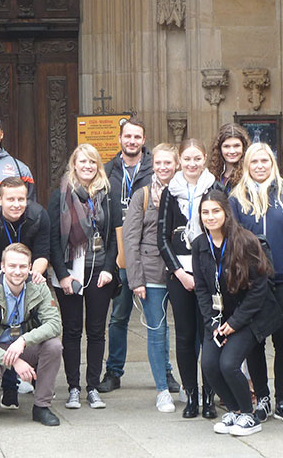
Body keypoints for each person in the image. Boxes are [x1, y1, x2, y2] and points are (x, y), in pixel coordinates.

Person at [100, 117, 179, 394]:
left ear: (143, 140)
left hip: (150, 252)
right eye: (127, 136)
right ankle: (113, 371)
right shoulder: (108, 169)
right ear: (120, 139)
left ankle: (166, 373)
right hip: (118, 246)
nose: (132, 141)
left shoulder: (152, 168)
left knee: (159, 321)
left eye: (137, 137)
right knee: (119, 315)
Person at [195, 190, 283, 437]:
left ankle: (249, 414)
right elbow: (202, 288)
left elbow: (259, 290)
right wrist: (212, 324)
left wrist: (234, 323)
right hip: (218, 316)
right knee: (210, 365)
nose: (210, 217)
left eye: (215, 211)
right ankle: (234, 411)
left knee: (229, 364)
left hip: (250, 314)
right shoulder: (200, 245)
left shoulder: (244, 241)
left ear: (226, 213)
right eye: (205, 212)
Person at [230, 142, 283, 425]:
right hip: (251, 284)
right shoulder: (236, 198)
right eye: (255, 161)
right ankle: (262, 397)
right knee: (254, 343)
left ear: (272, 163)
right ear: (247, 165)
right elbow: (234, 240)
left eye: (265, 161)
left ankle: (282, 400)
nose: (260, 166)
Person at [48, 143, 118, 410]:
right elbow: (54, 239)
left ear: (98, 165)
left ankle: (93, 387)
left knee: (97, 331)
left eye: (92, 162)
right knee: (73, 330)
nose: (88, 166)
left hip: (99, 269)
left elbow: (114, 237)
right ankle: (74, 387)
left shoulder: (107, 194)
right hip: (71, 270)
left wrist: (110, 269)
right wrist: (62, 274)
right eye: (83, 162)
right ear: (73, 165)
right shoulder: (61, 195)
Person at [0, 176, 51, 408]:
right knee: (2, 327)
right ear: (0, 200)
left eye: (21, 199)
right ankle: (7, 386)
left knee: (31, 325)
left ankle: (35, 386)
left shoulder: (39, 215)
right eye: (11, 199)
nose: (16, 204)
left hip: (28, 271)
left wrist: (33, 276)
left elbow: (43, 253)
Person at [0, 243, 64, 426]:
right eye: (12, 266)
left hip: (23, 344)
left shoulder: (38, 286)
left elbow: (55, 324)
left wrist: (23, 340)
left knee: (53, 346)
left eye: (22, 266)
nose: (17, 271)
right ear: (3, 267)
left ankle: (41, 407)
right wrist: (14, 360)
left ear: (30, 268)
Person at [158, 138, 217, 419]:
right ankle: (191, 396)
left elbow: (221, 232)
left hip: (207, 272)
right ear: (179, 161)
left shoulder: (214, 189)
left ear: (204, 159)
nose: (192, 164)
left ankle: (209, 397)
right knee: (184, 336)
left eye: (197, 158)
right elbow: (161, 236)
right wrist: (178, 272)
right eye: (187, 159)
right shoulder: (170, 191)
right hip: (179, 273)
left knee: (209, 334)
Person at [125, 143, 180, 412]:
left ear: (176, 164)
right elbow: (130, 239)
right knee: (157, 331)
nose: (162, 167)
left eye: (168, 162)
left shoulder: (186, 192)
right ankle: (162, 390)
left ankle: (191, 386)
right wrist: (136, 279)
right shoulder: (142, 195)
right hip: (151, 271)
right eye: (158, 163)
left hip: (183, 270)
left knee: (186, 333)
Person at [207, 122, 250, 192]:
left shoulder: (249, 174)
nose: (232, 151)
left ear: (244, 147)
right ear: (219, 148)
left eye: (236, 146)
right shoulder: (211, 176)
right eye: (226, 146)